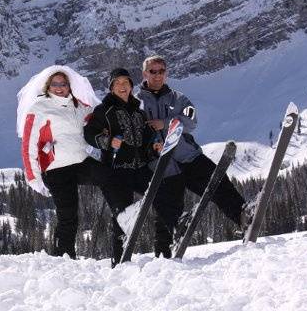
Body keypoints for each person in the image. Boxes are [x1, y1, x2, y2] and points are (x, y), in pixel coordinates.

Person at [136, 55, 249, 235]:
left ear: (166, 74)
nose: (157, 75)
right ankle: (176, 236)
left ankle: (243, 216)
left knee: (217, 183)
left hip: (188, 156)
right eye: (153, 71)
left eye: (161, 71)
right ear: (144, 74)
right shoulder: (136, 103)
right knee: (169, 205)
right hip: (161, 165)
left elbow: (191, 121)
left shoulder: (179, 99)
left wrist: (164, 123)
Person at [84, 68, 185, 265]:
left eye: (126, 83)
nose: (122, 86)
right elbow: (89, 133)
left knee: (163, 195)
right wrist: (108, 141)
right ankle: (120, 261)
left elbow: (148, 138)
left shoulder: (139, 112)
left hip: (140, 168)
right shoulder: (104, 111)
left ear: (131, 86)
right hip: (116, 171)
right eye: (117, 83)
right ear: (111, 88)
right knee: (122, 214)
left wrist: (155, 145)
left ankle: (170, 239)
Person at [18, 66, 116, 259]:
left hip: (80, 161)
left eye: (63, 84)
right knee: (68, 215)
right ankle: (64, 256)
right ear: (48, 86)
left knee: (110, 177)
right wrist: (33, 176)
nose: (59, 87)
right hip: (56, 168)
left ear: (69, 86)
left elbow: (98, 116)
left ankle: (124, 213)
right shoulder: (39, 108)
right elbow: (28, 144)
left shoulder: (78, 106)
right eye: (55, 84)